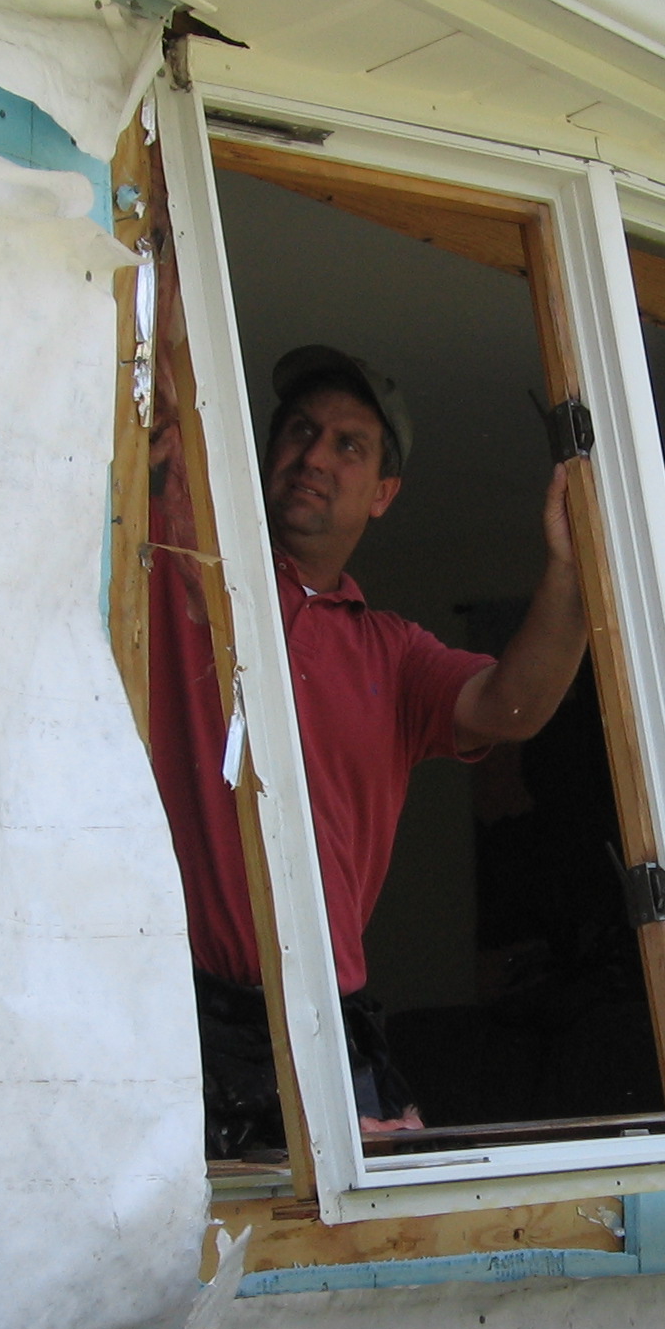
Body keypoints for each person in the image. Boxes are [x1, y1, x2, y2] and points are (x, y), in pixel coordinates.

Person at [147, 345, 590, 1159]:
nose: (315, 455)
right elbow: (154, 399)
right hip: (174, 1010)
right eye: (300, 431)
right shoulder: (187, 572)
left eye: (349, 446)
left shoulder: (394, 653)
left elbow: (514, 706)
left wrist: (571, 568)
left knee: (371, 1239)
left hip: (328, 1018)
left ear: (383, 494)